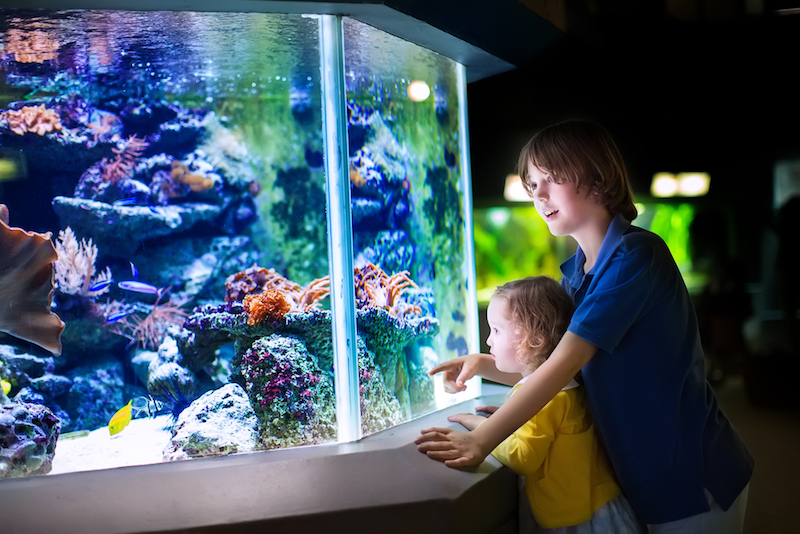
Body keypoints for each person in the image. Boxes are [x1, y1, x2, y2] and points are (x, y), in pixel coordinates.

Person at [416, 120, 753, 533]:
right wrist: (482, 365)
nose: (538, 195)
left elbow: (565, 363)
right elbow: (559, 370)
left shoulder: (635, 256)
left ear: (596, 175)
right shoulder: (575, 275)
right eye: (533, 184)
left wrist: (483, 440)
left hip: (692, 473)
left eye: (551, 178)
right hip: (637, 475)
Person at [450, 276, 645, 533]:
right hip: (598, 507)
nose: (489, 340)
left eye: (497, 330)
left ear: (534, 339)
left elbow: (523, 457)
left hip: (580, 520)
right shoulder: (565, 384)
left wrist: (482, 426)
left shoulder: (546, 397)